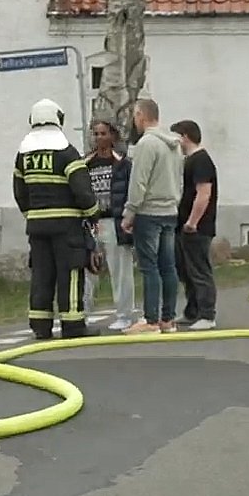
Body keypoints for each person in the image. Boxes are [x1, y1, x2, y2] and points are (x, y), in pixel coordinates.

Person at [12, 98, 101, 340]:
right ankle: (73, 325)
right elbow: (82, 190)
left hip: (37, 226)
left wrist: (31, 216)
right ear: (58, 120)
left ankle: (41, 326)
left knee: (42, 274)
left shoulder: (24, 156)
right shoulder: (66, 153)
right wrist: (94, 214)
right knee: (70, 273)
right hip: (66, 226)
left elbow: (20, 192)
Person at [120, 97, 184, 334]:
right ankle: (168, 319)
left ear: (141, 115)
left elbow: (139, 181)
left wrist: (130, 212)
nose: (134, 121)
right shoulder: (174, 144)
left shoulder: (147, 144)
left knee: (149, 267)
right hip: (170, 210)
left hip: (149, 212)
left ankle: (150, 319)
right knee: (168, 265)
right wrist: (174, 201)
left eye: (135, 116)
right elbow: (180, 179)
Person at [85, 119, 138, 332]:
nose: (99, 138)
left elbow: (130, 192)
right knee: (88, 269)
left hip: (114, 221)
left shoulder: (123, 163)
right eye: (96, 134)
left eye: (103, 133)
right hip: (93, 222)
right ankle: (84, 312)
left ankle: (124, 314)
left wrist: (129, 218)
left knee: (121, 270)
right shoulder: (85, 163)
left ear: (113, 136)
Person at [171, 119, 219, 330]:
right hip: (184, 225)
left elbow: (203, 194)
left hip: (197, 228)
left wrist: (192, 222)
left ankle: (207, 314)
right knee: (185, 269)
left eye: (176, 138)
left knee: (199, 270)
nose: (175, 143)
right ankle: (192, 311)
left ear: (185, 136)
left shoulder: (201, 160)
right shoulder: (189, 160)